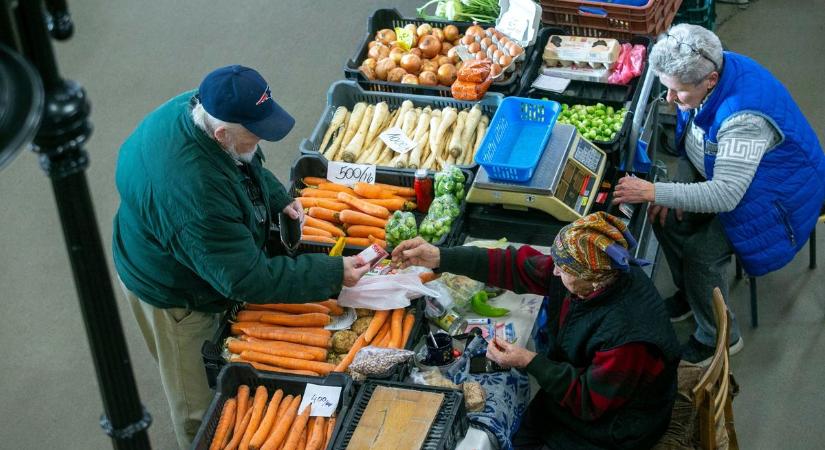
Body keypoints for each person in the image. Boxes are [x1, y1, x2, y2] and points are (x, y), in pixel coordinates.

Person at [112, 65, 370, 448]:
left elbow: (245, 162)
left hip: (177, 237)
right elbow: (245, 279)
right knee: (196, 403)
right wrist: (332, 273)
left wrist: (278, 198)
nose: (262, 139)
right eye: (256, 134)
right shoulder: (196, 195)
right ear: (221, 133)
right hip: (172, 290)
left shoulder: (199, 108)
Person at [613, 24, 825, 365]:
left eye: (678, 92)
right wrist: (669, 194)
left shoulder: (744, 118)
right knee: (664, 219)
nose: (670, 100)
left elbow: (726, 196)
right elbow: (696, 144)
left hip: (778, 198)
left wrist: (654, 190)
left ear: (709, 81)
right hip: (737, 177)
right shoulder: (713, 69)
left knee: (699, 253)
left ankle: (719, 337)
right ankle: (694, 297)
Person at [393, 212, 680, 449]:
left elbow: (588, 401)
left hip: (615, 424)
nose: (555, 272)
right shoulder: (589, 271)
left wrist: (529, 361)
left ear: (592, 281)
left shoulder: (630, 338)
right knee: (520, 432)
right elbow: (515, 266)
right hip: (576, 388)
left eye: (563, 270)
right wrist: (440, 257)